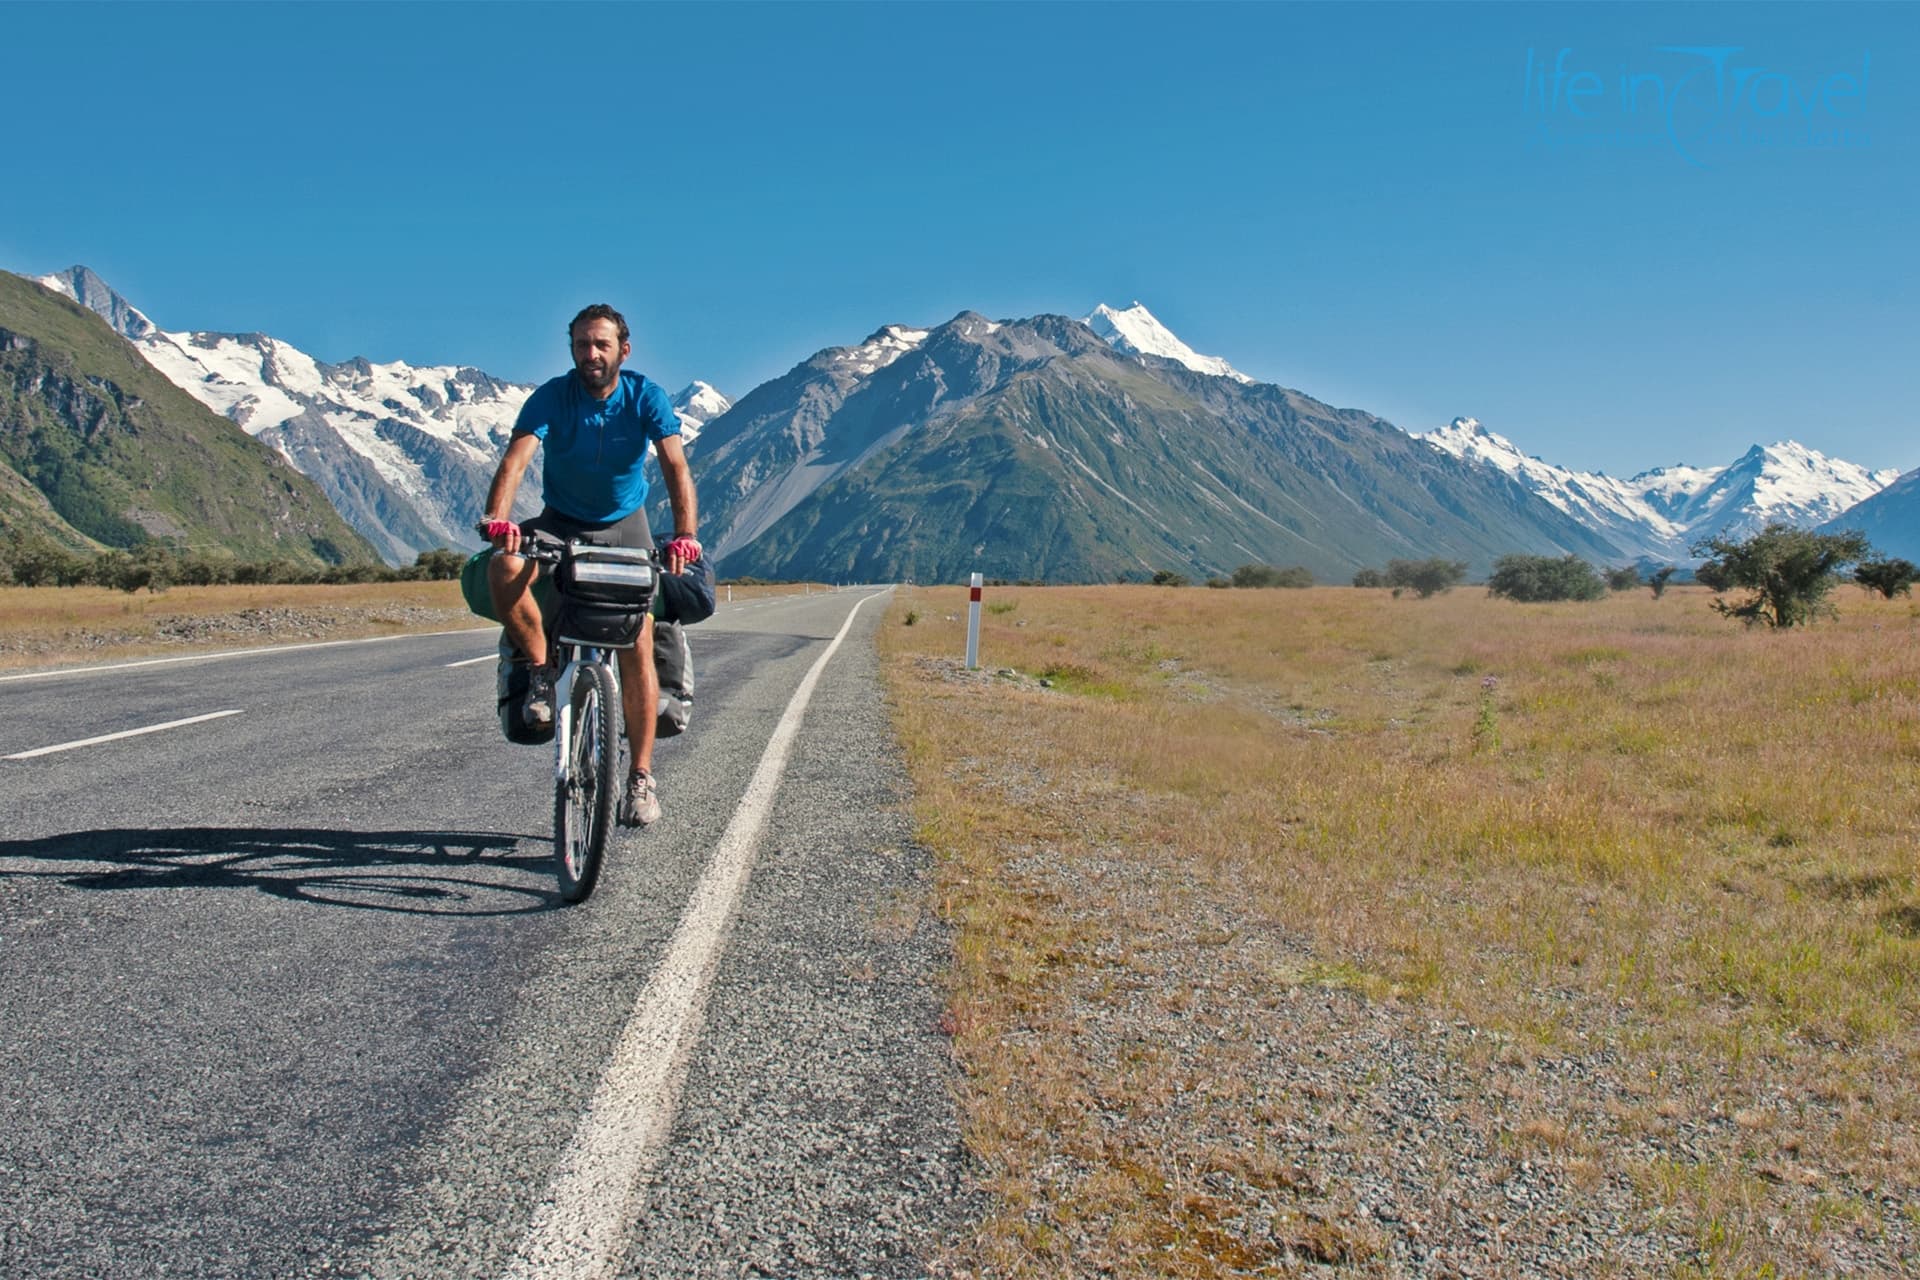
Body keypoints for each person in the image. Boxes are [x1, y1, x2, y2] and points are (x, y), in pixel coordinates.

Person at [481, 303, 700, 828]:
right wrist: (498, 520)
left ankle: (641, 777)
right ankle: (539, 671)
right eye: (582, 344)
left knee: (638, 637)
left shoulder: (645, 396)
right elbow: (515, 460)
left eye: (601, 344)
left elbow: (674, 464)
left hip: (627, 523)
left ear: (624, 350)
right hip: (560, 520)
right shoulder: (552, 397)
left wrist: (686, 536)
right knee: (504, 568)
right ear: (572, 349)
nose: (591, 354)